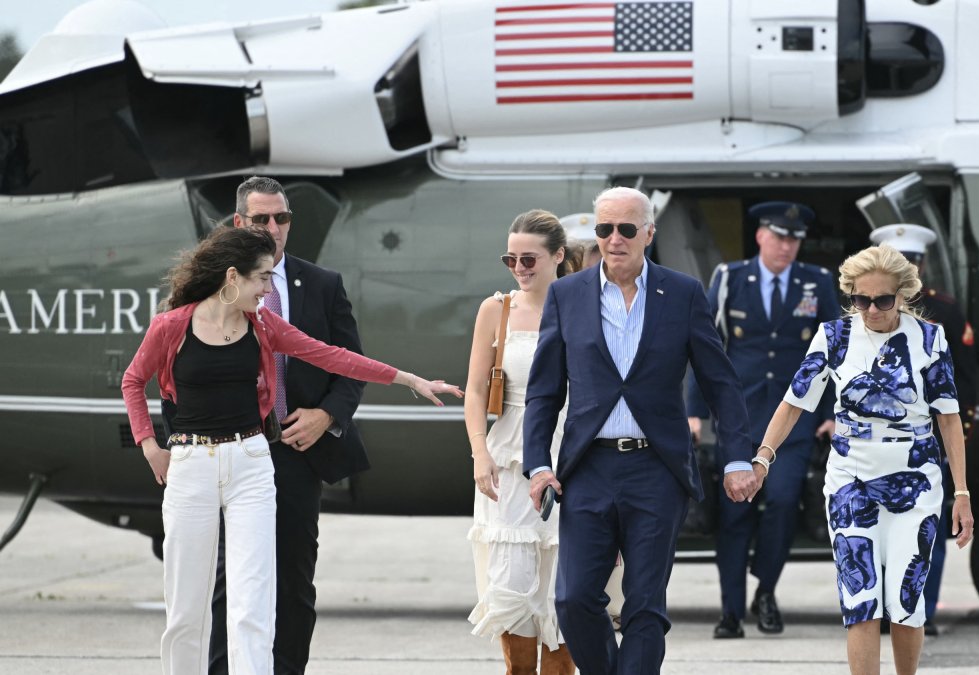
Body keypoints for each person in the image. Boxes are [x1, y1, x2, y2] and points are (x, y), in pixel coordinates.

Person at [122, 226, 461, 674]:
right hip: (191, 468)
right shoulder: (172, 326)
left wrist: (409, 380)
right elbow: (133, 380)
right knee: (186, 607)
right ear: (232, 277)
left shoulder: (262, 325)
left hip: (252, 466)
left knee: (253, 603)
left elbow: (332, 356)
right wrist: (149, 444)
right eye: (261, 278)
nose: (267, 288)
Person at [523, 187, 765, 675]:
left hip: (657, 469)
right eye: (604, 229)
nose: (614, 239)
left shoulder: (682, 293)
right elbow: (544, 391)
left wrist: (741, 457)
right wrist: (538, 465)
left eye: (626, 229)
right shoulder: (567, 295)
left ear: (648, 234)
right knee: (572, 600)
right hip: (587, 469)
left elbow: (721, 383)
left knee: (645, 606)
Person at [750, 243, 974, 675]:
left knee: (907, 602)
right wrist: (763, 458)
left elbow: (948, 419)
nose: (871, 310)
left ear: (903, 295)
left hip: (917, 480)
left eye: (882, 300)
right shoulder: (833, 337)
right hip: (850, 481)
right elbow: (794, 403)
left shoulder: (930, 338)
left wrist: (961, 493)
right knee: (861, 599)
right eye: (860, 299)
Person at [201, 176, 381, 674]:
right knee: (230, 579)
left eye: (282, 218)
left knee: (294, 580)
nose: (275, 228)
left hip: (296, 453)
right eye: (262, 219)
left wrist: (327, 416)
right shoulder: (214, 287)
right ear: (239, 223)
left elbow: (350, 365)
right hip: (232, 451)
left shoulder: (322, 284)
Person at [687, 201, 840, 638]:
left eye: (794, 240)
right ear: (760, 236)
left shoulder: (817, 283)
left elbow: (835, 352)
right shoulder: (731, 278)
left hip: (794, 423)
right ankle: (731, 612)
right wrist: (695, 413)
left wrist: (830, 413)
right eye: (778, 237)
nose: (786, 246)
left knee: (784, 504)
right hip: (739, 421)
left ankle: (766, 590)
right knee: (735, 517)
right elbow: (707, 348)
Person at [464, 210, 580, 674]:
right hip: (508, 457)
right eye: (510, 258)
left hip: (570, 452)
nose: (519, 267)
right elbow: (474, 389)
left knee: (564, 589)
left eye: (529, 258)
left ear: (557, 256)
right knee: (511, 584)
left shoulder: (585, 304)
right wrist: (479, 452)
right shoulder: (497, 309)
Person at [868, 224, 979, 636]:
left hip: (926, 441)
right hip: (875, 439)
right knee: (874, 525)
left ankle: (921, 609)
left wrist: (958, 437)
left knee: (924, 527)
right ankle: (879, 609)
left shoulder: (945, 312)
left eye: (911, 265)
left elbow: (966, 380)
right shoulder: (866, 312)